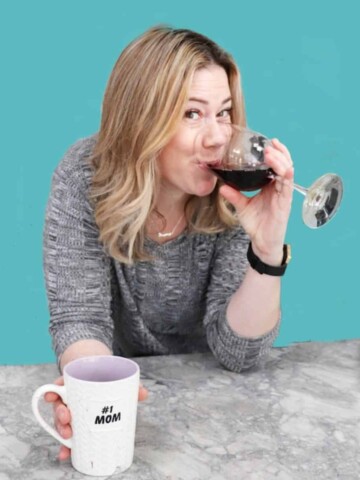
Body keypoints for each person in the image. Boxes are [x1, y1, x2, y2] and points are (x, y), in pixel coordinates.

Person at [44, 25, 294, 460]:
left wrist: (267, 251)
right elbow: (79, 319)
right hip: (128, 396)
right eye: (191, 114)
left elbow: (239, 353)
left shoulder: (230, 190)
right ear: (143, 119)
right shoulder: (84, 177)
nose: (217, 137)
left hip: (217, 410)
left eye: (224, 112)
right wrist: (94, 394)